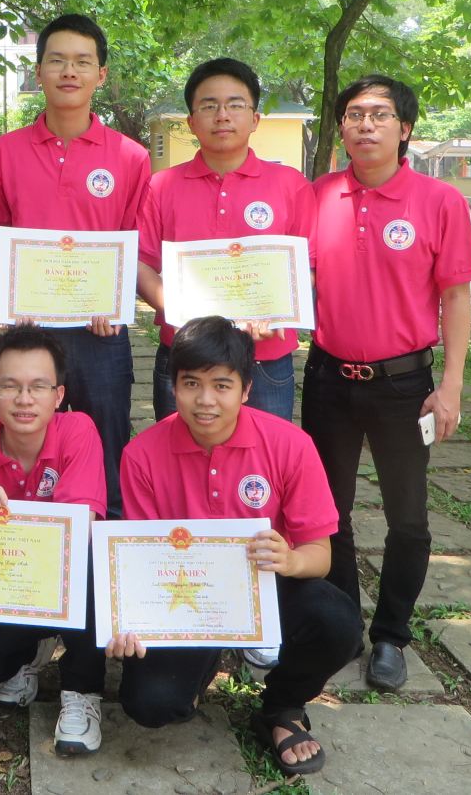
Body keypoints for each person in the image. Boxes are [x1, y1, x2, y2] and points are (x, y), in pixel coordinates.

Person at [108, 317, 360, 777]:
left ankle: (282, 708)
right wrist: (131, 620)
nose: (205, 400)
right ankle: (203, 662)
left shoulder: (291, 445)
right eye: (191, 383)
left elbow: (320, 556)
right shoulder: (141, 454)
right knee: (151, 705)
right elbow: (142, 564)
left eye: (221, 385)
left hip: (265, 586)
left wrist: (290, 559)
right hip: (185, 600)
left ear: (246, 389)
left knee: (338, 622)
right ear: (173, 386)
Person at [303, 74, 471, 691]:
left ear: (405, 129)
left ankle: (391, 635)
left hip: (404, 385)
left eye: (379, 114)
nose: (366, 125)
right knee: (329, 513)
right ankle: (344, 624)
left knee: (408, 517)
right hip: (328, 378)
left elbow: (455, 298)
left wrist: (450, 385)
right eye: (354, 114)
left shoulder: (439, 201)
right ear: (341, 127)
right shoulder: (317, 196)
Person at [0, 13, 151, 517]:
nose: (69, 71)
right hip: (29, 331)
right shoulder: (3, 153)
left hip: (100, 333)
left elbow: (132, 243)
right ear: (38, 72)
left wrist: (114, 302)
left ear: (102, 74)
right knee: (25, 444)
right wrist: (0, 296)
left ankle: (104, 545)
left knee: (108, 447)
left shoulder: (130, 157)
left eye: (82, 62)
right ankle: (32, 542)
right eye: (57, 61)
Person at [0, 326, 109, 755]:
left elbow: (77, 531)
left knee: (91, 559)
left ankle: (82, 688)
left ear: (59, 394)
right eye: (10, 386)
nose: (24, 399)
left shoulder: (79, 430)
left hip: (62, 580)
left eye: (38, 386)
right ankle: (32, 650)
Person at [137, 57, 316, 424]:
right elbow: (141, 264)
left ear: (255, 119)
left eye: (235, 105)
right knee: (179, 457)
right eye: (209, 106)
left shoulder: (291, 185)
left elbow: (308, 266)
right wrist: (182, 311)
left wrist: (277, 311)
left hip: (264, 358)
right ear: (191, 121)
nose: (222, 116)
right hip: (185, 355)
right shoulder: (161, 186)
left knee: (264, 456)